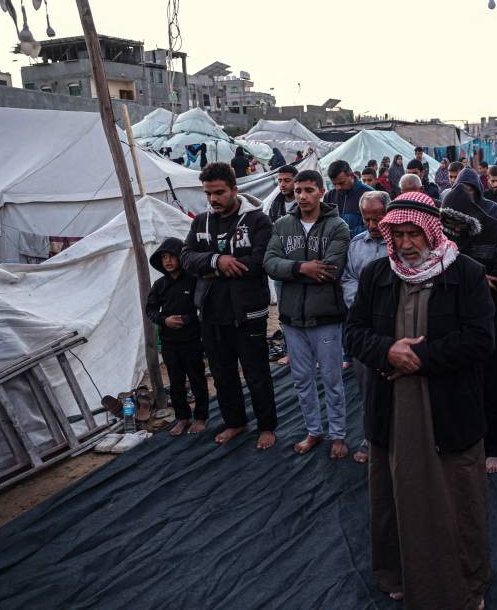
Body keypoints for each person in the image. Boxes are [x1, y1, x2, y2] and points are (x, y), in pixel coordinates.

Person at [346, 192, 494, 609]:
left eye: (414, 233)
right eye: (398, 234)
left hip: (448, 410)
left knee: (456, 498)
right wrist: (386, 351)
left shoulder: (465, 273)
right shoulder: (378, 275)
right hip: (392, 409)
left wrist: (418, 358)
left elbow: (483, 340)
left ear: (433, 232)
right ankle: (400, 575)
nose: (407, 243)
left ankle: (465, 585)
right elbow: (353, 333)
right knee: (395, 496)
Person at [181, 162, 277, 450]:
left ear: (235, 190)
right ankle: (235, 422)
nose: (213, 199)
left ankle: (267, 426)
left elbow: (260, 263)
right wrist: (216, 261)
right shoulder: (201, 222)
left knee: (256, 373)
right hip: (211, 311)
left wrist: (212, 266)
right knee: (222, 375)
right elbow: (186, 257)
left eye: (219, 192)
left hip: (248, 311)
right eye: (208, 193)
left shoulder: (258, 221)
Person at [263, 170, 351, 458]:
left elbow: (330, 270)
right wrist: (302, 268)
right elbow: (269, 263)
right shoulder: (282, 225)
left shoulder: (337, 227)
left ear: (321, 192)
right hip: (291, 318)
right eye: (298, 190)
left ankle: (337, 434)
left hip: (325, 316)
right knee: (301, 379)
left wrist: (289, 270)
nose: (302, 196)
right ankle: (314, 430)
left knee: (331, 378)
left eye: (309, 190)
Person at [441, 183, 497, 473]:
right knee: (452, 385)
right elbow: (433, 268)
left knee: (491, 386)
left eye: (458, 222)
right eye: (447, 221)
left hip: (486, 319)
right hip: (449, 321)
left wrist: (466, 273)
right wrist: (475, 276)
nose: (452, 228)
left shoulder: (495, 229)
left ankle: (494, 446)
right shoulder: (441, 232)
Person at [341, 190, 391, 464]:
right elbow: (348, 279)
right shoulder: (356, 245)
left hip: (394, 327)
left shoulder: (401, 241)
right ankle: (371, 437)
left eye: (378, 219)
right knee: (367, 387)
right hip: (364, 328)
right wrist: (363, 305)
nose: (372, 226)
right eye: (367, 219)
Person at [146, 237, 208, 436]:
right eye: (164, 257)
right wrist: (164, 320)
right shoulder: (160, 285)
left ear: (181, 257)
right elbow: (151, 310)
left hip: (191, 339)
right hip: (169, 341)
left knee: (197, 379)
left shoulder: (194, 279)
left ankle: (200, 417)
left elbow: (202, 308)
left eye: (172, 256)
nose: (168, 261)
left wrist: (187, 319)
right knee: (176, 382)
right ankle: (182, 418)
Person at [325, 160, 374, 238]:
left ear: (351, 175)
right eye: (334, 184)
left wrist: (346, 234)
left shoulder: (370, 194)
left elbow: (374, 225)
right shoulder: (329, 196)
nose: (338, 188)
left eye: (341, 183)